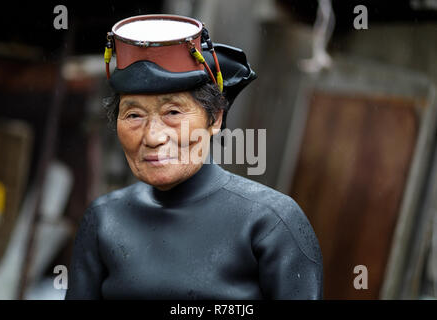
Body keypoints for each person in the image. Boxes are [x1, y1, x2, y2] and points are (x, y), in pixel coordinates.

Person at [65, 14, 323, 300]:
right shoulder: (103, 220)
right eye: (134, 115)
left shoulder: (270, 223)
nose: (152, 137)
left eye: (173, 112)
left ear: (214, 119)